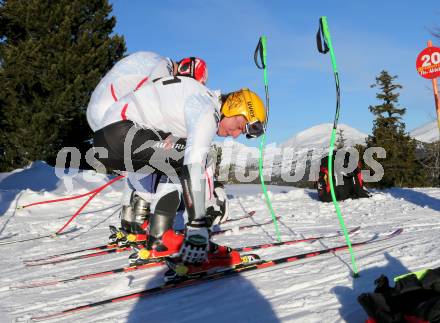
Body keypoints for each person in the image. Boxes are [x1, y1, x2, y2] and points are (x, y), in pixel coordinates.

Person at [90, 75, 266, 278]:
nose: (236, 134)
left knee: (177, 158)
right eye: (241, 126)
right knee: (201, 156)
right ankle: (183, 235)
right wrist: (198, 224)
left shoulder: (198, 98)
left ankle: (160, 235)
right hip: (121, 133)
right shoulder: (206, 108)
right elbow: (194, 163)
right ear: (235, 107)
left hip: (109, 138)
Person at [86, 51, 208, 246]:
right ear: (186, 72)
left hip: (101, 114)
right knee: (174, 154)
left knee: (138, 161)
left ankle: (130, 219)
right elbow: (160, 105)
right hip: (114, 116)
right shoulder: (164, 71)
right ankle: (145, 222)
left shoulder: (154, 60)